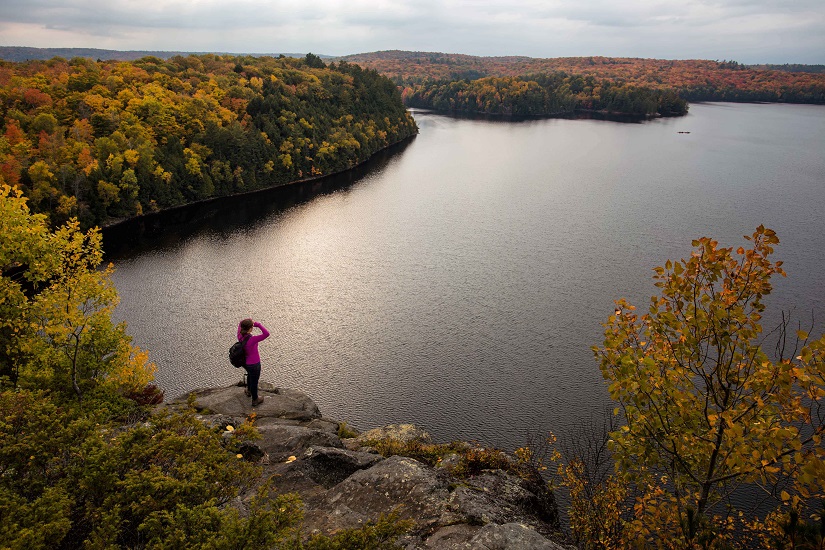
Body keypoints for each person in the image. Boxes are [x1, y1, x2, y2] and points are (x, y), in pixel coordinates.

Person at [237, 318, 270, 406]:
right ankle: (255, 399)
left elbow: (240, 323)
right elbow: (267, 334)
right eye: (252, 326)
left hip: (246, 363)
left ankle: (248, 391)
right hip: (255, 364)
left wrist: (248, 323)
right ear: (251, 328)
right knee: (254, 381)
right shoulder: (253, 339)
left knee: (250, 375)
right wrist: (258, 324)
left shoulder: (240, 336)